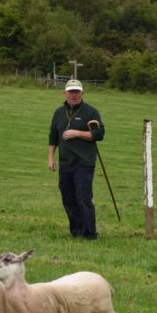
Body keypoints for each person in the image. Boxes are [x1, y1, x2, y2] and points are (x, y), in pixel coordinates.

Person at [48, 79, 104, 240]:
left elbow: (99, 134)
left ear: (82, 93)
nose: (74, 94)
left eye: (77, 91)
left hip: (84, 163)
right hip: (65, 163)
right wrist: (51, 158)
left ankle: (90, 234)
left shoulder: (90, 112)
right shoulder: (59, 113)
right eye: (71, 91)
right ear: (64, 93)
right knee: (68, 198)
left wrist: (77, 133)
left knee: (83, 198)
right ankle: (76, 231)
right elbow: (53, 137)